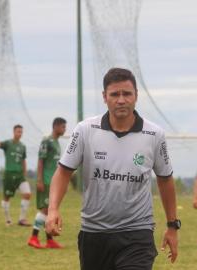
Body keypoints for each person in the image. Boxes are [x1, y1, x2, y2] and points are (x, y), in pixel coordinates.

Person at [45, 68, 180, 269]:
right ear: (104, 97)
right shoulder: (85, 130)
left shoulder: (154, 135)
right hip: (94, 234)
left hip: (137, 233)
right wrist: (53, 208)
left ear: (136, 96)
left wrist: (172, 226)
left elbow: (165, 179)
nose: (121, 100)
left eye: (127, 93)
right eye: (115, 94)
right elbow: (63, 171)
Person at [28, 118, 67, 249]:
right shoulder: (47, 141)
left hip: (52, 180)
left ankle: (49, 240)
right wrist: (39, 179)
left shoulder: (56, 143)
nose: (64, 129)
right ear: (55, 126)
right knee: (45, 209)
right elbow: (41, 161)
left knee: (50, 210)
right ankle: (33, 237)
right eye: (62, 127)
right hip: (45, 180)